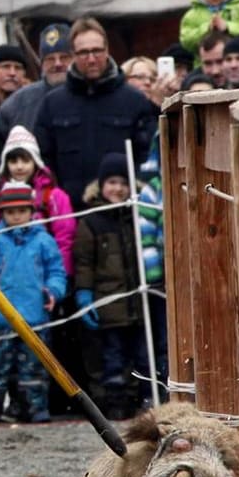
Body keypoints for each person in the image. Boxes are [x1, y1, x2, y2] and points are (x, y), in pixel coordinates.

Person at [0, 182, 66, 424]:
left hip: (35, 319)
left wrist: (53, 291)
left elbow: (57, 271)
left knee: (34, 369)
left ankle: (34, 410)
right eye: (11, 212)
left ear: (31, 211)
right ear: (1, 213)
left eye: (22, 211)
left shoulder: (44, 241)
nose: (17, 216)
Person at [32, 17, 159, 201]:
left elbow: (148, 158)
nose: (91, 59)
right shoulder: (52, 105)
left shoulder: (134, 101)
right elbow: (43, 163)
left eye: (97, 51)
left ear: (107, 50)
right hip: (71, 216)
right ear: (73, 55)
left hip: (123, 213)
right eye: (83, 53)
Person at [73, 154, 148, 420]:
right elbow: (84, 263)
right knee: (112, 358)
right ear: (101, 185)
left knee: (140, 356)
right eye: (112, 182)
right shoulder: (91, 221)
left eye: (123, 183)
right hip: (108, 304)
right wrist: (84, 294)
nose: (117, 188)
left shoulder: (139, 215)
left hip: (138, 304)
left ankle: (140, 401)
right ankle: (114, 403)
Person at [0, 126, 79, 274]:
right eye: (14, 161)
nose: (20, 167)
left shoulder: (54, 196)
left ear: (35, 161)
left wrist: (59, 276)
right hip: (8, 276)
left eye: (25, 160)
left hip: (46, 272)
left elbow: (65, 239)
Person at [0, 21, 72, 154]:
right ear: (41, 63)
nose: (57, 64)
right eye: (50, 59)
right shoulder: (17, 104)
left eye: (64, 57)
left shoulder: (91, 94)